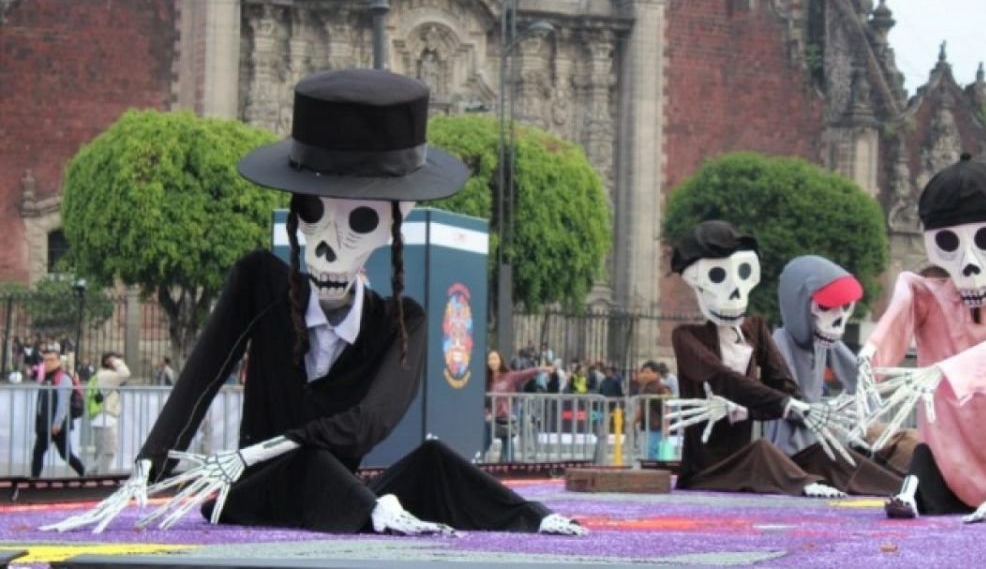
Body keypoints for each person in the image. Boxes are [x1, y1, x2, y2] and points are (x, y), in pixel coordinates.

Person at [46, 70, 584, 537]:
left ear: (393, 223)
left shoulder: (400, 322)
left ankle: (534, 518)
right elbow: (202, 374)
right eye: (313, 213)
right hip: (258, 494)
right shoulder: (261, 282)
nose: (327, 246)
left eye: (360, 220)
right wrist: (149, 465)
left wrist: (261, 448)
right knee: (308, 462)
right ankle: (375, 512)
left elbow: (370, 421)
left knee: (432, 459)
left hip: (335, 492)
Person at [863, 154, 986, 523]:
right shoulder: (927, 295)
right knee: (924, 453)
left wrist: (946, 371)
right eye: (948, 243)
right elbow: (901, 308)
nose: (968, 263)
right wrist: (868, 359)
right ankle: (909, 494)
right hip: (951, 464)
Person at [666, 221, 845, 498]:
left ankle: (900, 483)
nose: (735, 292)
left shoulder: (755, 329)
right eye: (717, 276)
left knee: (823, 455)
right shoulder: (686, 337)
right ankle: (803, 484)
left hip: (746, 459)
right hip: (708, 470)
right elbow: (723, 378)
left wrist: (743, 411)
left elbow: (786, 388)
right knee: (762, 450)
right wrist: (786, 405)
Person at [766, 255, 904, 495]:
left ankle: (907, 489)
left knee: (865, 468)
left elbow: (861, 380)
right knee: (854, 471)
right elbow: (788, 399)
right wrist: (828, 411)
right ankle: (906, 491)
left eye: (845, 307)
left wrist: (870, 413)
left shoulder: (824, 343)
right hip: (790, 454)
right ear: (800, 305)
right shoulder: (780, 342)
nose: (839, 320)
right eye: (825, 307)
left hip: (818, 444)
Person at [485, 349, 552, 461]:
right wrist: (486, 413)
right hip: (489, 420)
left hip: (505, 419)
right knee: (484, 445)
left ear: (500, 360)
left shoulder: (509, 376)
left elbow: (526, 373)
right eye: (490, 359)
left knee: (508, 452)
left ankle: (508, 465)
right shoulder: (485, 378)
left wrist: (542, 369)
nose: (493, 362)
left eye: (495, 358)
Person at [31, 344, 86, 478]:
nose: (47, 363)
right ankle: (34, 479)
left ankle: (83, 472)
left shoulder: (62, 378)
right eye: (45, 360)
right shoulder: (47, 377)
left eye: (51, 360)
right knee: (40, 452)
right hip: (46, 423)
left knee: (64, 454)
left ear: (58, 361)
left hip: (57, 425)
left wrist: (57, 423)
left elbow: (63, 402)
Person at [88, 352, 131, 475]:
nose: (120, 363)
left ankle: (93, 474)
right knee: (109, 451)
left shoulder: (101, 375)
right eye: (118, 361)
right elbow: (125, 373)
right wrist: (115, 361)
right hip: (105, 418)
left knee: (102, 451)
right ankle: (97, 475)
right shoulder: (107, 376)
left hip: (100, 417)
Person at [634, 361, 671, 460]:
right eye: (643, 372)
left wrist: (666, 426)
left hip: (656, 426)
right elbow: (642, 408)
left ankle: (656, 468)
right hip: (645, 425)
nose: (645, 375)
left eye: (648, 372)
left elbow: (667, 407)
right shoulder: (644, 388)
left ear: (657, 374)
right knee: (647, 452)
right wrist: (633, 421)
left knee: (651, 451)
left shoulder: (662, 388)